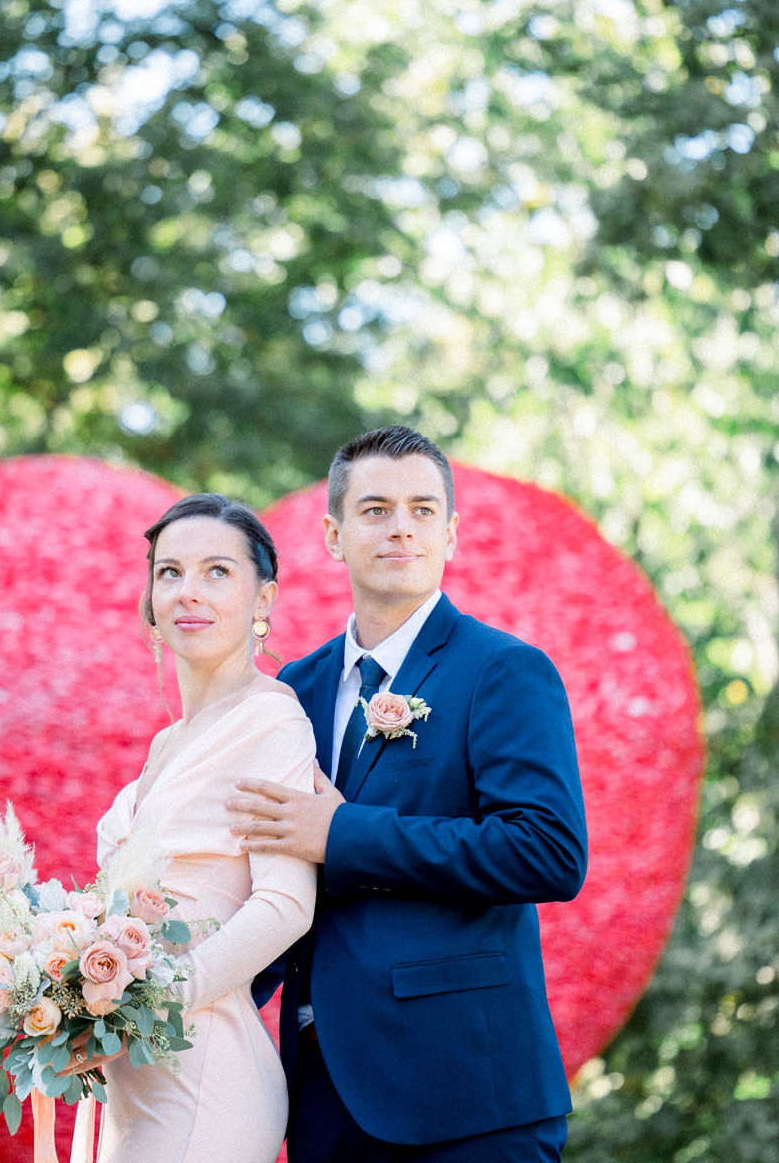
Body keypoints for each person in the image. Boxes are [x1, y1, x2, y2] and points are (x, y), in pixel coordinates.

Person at [230, 425, 588, 1163]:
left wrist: (345, 834)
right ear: (333, 534)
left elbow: (548, 852)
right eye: (375, 509)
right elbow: (271, 869)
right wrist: (156, 1006)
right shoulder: (292, 689)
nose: (401, 528)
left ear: (451, 533)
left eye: (423, 510)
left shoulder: (503, 671)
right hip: (321, 1096)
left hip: (468, 1096)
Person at [68, 494, 317, 1163]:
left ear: (262, 598)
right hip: (131, 1087)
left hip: (206, 1078)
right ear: (150, 598)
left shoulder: (273, 721)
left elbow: (286, 903)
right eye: (170, 572)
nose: (188, 592)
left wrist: (152, 1002)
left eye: (217, 572)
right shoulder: (163, 746)